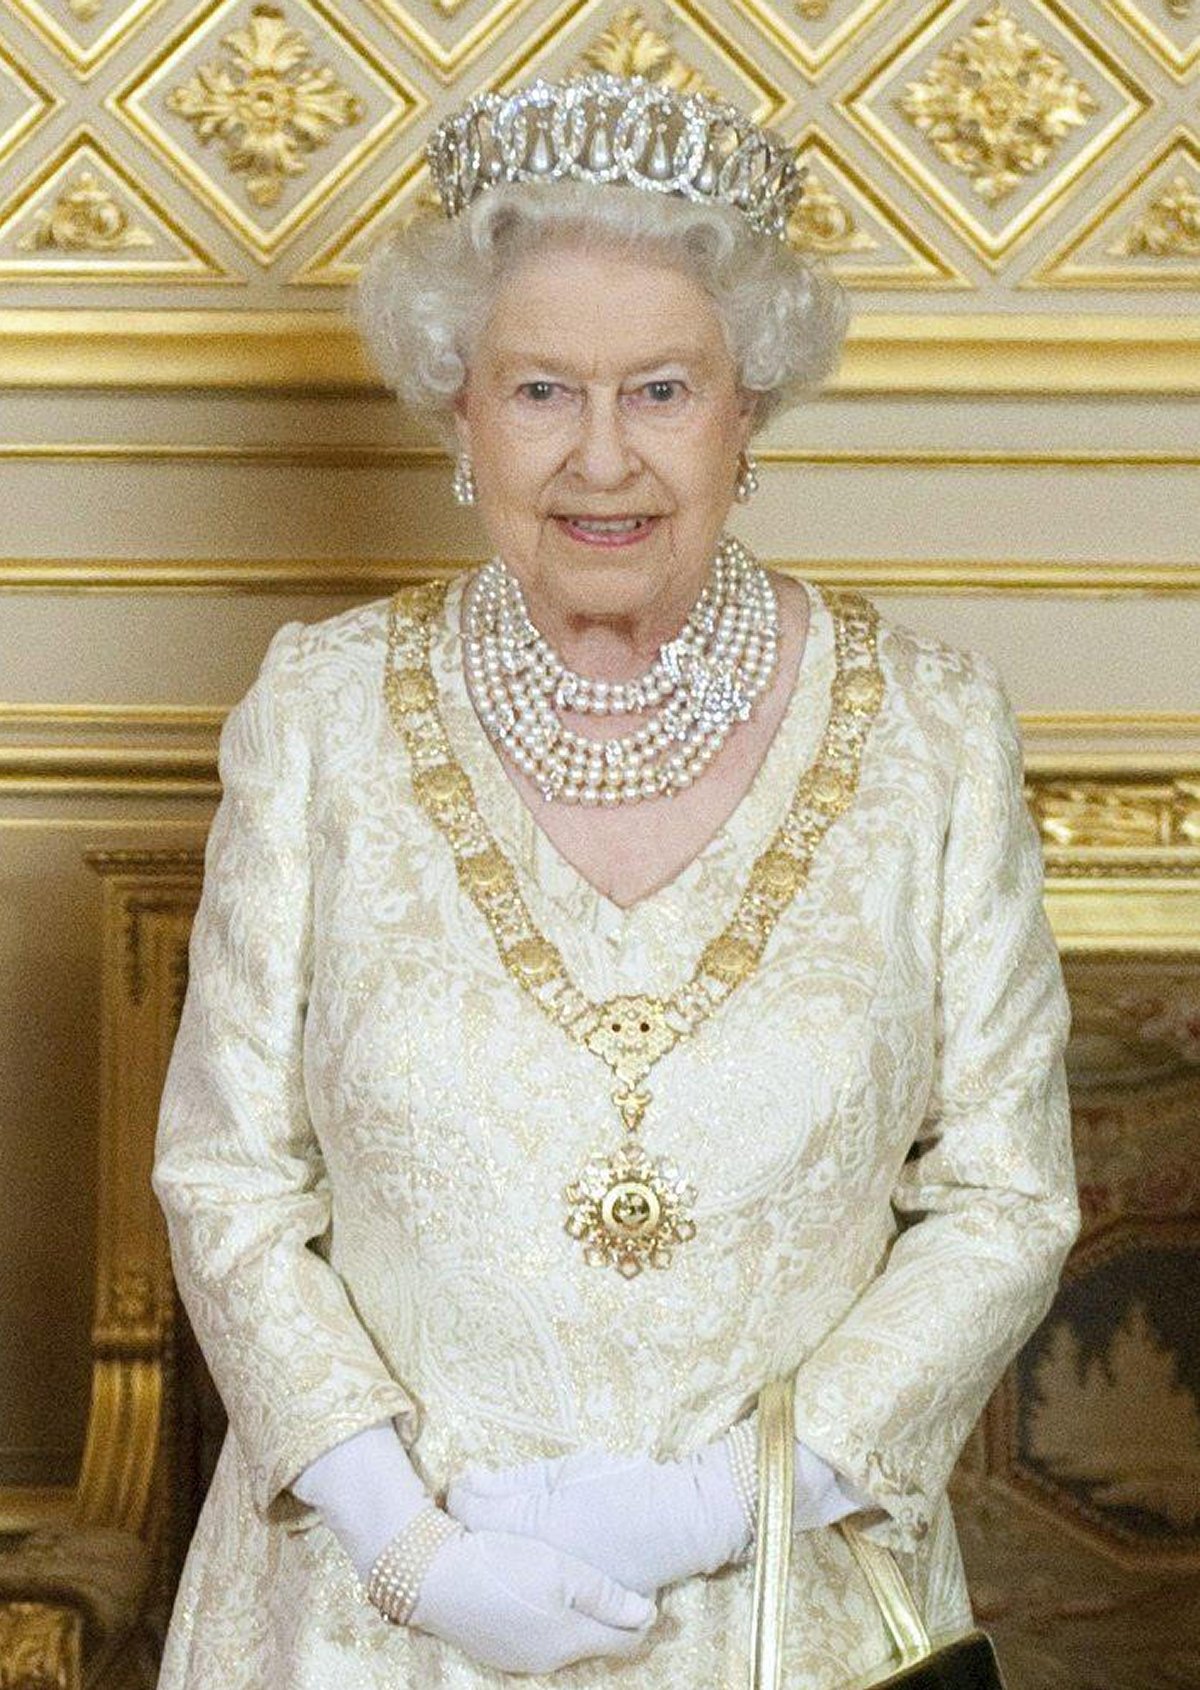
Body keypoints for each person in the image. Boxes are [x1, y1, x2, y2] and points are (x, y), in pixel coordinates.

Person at [151, 72, 1080, 1687]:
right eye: (539, 392)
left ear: (749, 410)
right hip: (375, 1617)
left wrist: (722, 1501)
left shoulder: (932, 728)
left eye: (660, 389)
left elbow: (1007, 1197)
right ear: (458, 413)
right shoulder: (317, 713)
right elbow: (226, 1183)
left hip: (787, 1610)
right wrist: (408, 1545)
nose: (601, 460)